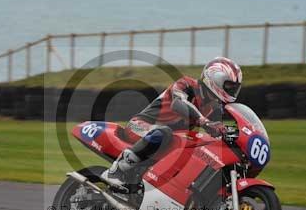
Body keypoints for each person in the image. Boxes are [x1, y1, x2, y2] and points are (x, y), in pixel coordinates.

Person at [102, 57, 243, 186]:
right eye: (229, 86)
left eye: (235, 88)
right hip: (139, 126)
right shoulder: (187, 84)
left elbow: (222, 127)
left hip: (170, 140)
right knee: (163, 132)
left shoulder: (213, 106)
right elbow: (178, 103)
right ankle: (118, 169)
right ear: (215, 78)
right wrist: (204, 122)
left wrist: (237, 134)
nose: (232, 91)